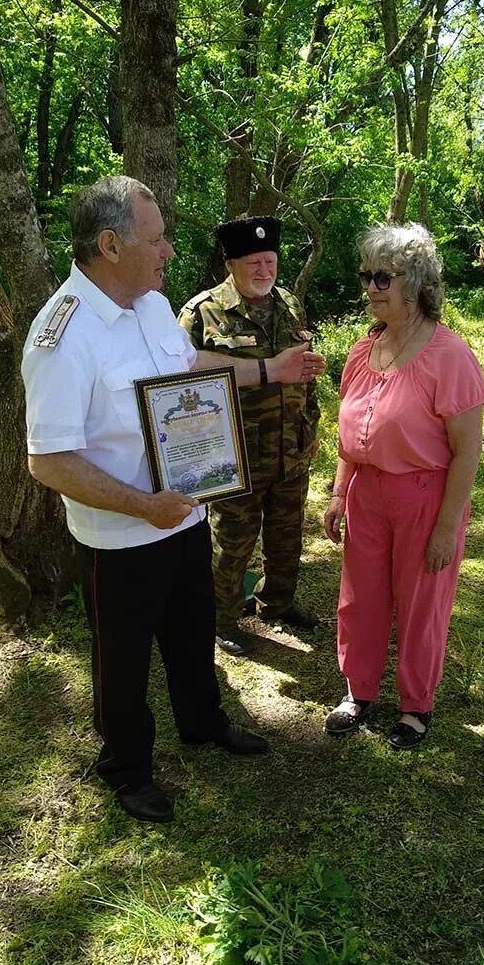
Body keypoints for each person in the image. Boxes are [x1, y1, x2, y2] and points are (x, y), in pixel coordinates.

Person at [21, 176, 326, 823]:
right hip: (120, 540)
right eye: (155, 238)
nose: (167, 250)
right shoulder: (62, 336)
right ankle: (127, 769)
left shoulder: (153, 305)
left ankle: (203, 723)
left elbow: (190, 370)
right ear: (110, 244)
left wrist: (270, 370)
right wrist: (142, 505)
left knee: (192, 636)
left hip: (185, 513)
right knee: (123, 664)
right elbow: (46, 460)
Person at [323, 223, 484, 749]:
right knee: (360, 598)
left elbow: (466, 452)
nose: (370, 287)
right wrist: (337, 493)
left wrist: (446, 528)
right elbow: (348, 436)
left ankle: (416, 705)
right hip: (365, 495)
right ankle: (359, 691)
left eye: (382, 277)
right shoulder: (359, 351)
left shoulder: (449, 356)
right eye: (366, 275)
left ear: (414, 283)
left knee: (420, 605)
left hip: (424, 498)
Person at [178, 216, 321, 657]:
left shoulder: (290, 304)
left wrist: (312, 412)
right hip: (232, 453)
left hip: (290, 448)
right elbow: (177, 375)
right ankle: (222, 618)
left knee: (287, 534)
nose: (264, 269)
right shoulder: (201, 312)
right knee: (231, 541)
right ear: (230, 264)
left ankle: (277, 603)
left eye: (270, 260)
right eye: (253, 262)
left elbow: (302, 367)